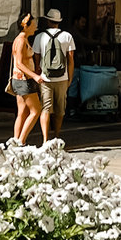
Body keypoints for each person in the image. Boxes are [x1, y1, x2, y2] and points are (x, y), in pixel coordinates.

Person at [31, 8, 75, 144]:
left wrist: (37, 75)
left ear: (48, 21)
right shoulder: (67, 36)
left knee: (45, 108)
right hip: (62, 78)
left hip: (45, 78)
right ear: (59, 21)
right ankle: (56, 136)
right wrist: (70, 78)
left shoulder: (39, 37)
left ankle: (45, 139)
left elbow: (36, 59)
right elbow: (71, 60)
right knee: (60, 110)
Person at [9, 11, 43, 142]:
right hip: (24, 80)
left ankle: (16, 140)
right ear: (26, 26)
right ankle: (21, 141)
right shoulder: (21, 41)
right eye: (33, 25)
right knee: (36, 110)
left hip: (20, 80)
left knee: (22, 112)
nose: (36, 27)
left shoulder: (22, 39)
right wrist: (34, 76)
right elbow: (19, 63)